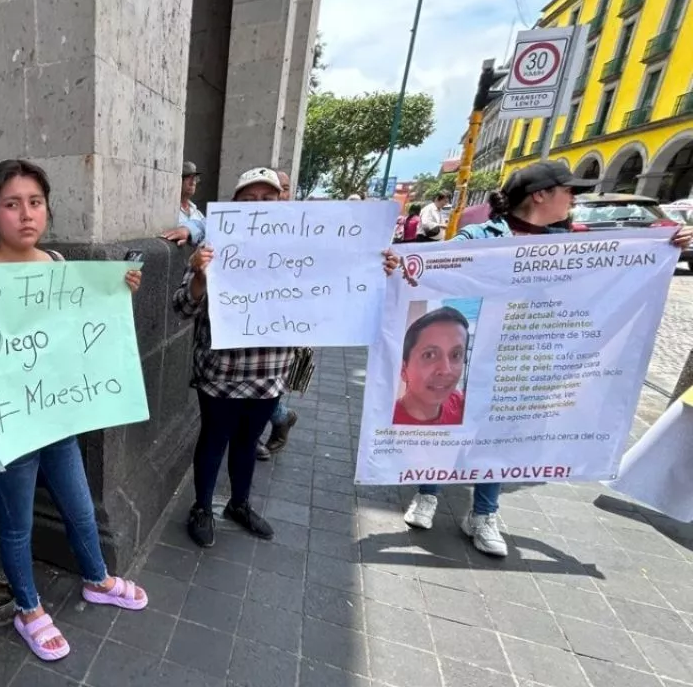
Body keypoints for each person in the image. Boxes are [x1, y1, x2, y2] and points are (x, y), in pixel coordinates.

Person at [403, 160, 693, 558]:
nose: (574, 198)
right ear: (540, 194)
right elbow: (431, 273)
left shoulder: (574, 246)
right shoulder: (481, 236)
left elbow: (620, 275)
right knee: (452, 427)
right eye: (568, 190)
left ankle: (484, 515)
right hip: (477, 357)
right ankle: (427, 493)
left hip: (526, 364)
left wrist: (665, 248)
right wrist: (398, 266)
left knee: (503, 437)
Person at [0, 159, 147, 662]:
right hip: (3, 424)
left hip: (56, 415)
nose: (26, 214)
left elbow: (82, 339)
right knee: (17, 520)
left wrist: (116, 297)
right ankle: (27, 608)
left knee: (81, 505)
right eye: (12, 204)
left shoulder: (59, 265)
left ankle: (97, 578)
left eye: (35, 202)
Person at [177, 167, 401, 548]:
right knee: (215, 439)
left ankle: (239, 504)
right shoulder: (213, 249)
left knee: (248, 441)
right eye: (249, 201)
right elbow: (183, 307)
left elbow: (343, 282)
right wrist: (199, 274)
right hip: (222, 370)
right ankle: (201, 507)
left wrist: (378, 269)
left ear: (283, 203)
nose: (259, 207)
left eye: (268, 199)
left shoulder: (306, 249)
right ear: (234, 207)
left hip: (272, 370)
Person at [256, 167, 299, 461]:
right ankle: (276, 420)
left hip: (283, 329)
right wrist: (191, 229)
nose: (279, 195)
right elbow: (204, 226)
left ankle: (258, 433)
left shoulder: (303, 229)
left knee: (269, 385)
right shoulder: (235, 225)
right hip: (243, 328)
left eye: (283, 189)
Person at [394, 306, 468, 425]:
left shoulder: (459, 403)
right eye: (429, 355)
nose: (446, 370)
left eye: (455, 355)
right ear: (403, 369)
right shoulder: (386, 423)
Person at [161, 161, 206, 246]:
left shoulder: (197, 213)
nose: (193, 181)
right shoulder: (169, 210)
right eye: (188, 177)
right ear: (178, 180)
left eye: (195, 178)